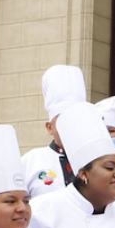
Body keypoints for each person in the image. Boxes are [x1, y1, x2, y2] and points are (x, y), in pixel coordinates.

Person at [20, 65, 87, 198]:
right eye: (63, 120)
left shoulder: (94, 160)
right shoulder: (31, 161)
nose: (71, 126)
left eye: (76, 119)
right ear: (49, 127)